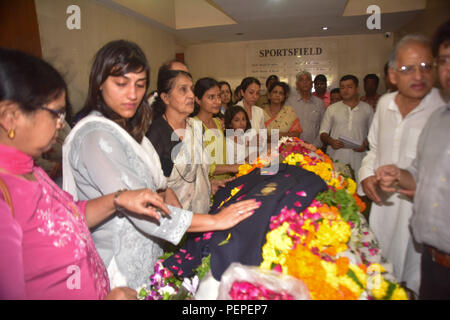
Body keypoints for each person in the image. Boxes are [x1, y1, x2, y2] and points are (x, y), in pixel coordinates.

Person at [63, 40, 260, 290]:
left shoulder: (128, 131)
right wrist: (216, 221)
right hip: (118, 266)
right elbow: (141, 208)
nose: (132, 94)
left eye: (139, 84)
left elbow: (158, 185)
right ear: (100, 83)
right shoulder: (97, 136)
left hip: (153, 249)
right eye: (121, 84)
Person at [0, 47, 180, 300]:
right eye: (55, 113)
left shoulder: (34, 173)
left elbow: (71, 217)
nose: (61, 124)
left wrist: (117, 199)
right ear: (10, 117)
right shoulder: (5, 193)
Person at [357, 34, 446, 296]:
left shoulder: (442, 108)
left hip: (427, 216)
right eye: (408, 69)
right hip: (385, 206)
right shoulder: (384, 104)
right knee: (383, 274)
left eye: (426, 67)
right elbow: (374, 149)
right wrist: (365, 177)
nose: (418, 76)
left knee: (419, 282)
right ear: (393, 75)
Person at [320, 75, 373, 181]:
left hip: (359, 156)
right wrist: (331, 141)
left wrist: (365, 143)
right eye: (342, 87)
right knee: (336, 189)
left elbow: (373, 133)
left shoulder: (367, 109)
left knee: (359, 189)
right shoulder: (332, 109)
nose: (345, 90)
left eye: (349, 87)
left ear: (357, 89)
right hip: (336, 156)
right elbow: (323, 133)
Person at [192, 77, 240, 180]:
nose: (217, 101)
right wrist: (232, 168)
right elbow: (201, 166)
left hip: (225, 182)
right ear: (198, 100)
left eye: (218, 96)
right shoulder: (193, 125)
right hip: (208, 187)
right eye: (211, 97)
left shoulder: (218, 122)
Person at [286, 70, 326, 148]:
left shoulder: (319, 103)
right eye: (301, 80)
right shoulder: (289, 102)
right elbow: (285, 126)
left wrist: (314, 146)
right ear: (297, 85)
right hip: (292, 148)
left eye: (307, 80)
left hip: (314, 148)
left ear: (312, 84)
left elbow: (323, 127)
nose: (305, 82)